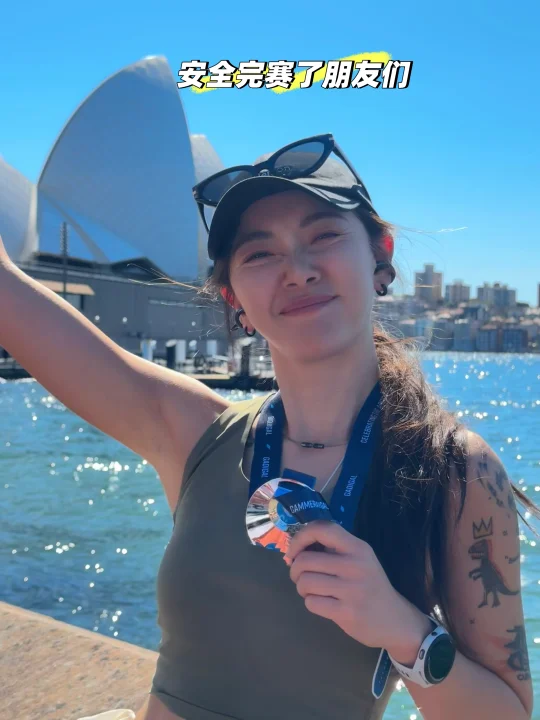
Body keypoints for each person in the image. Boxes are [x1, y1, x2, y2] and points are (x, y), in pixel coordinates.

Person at [0, 133, 536, 720]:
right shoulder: (197, 435)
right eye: (260, 255)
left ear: (380, 257)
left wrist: (403, 630)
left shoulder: (453, 468)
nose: (298, 271)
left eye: (323, 236)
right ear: (233, 297)